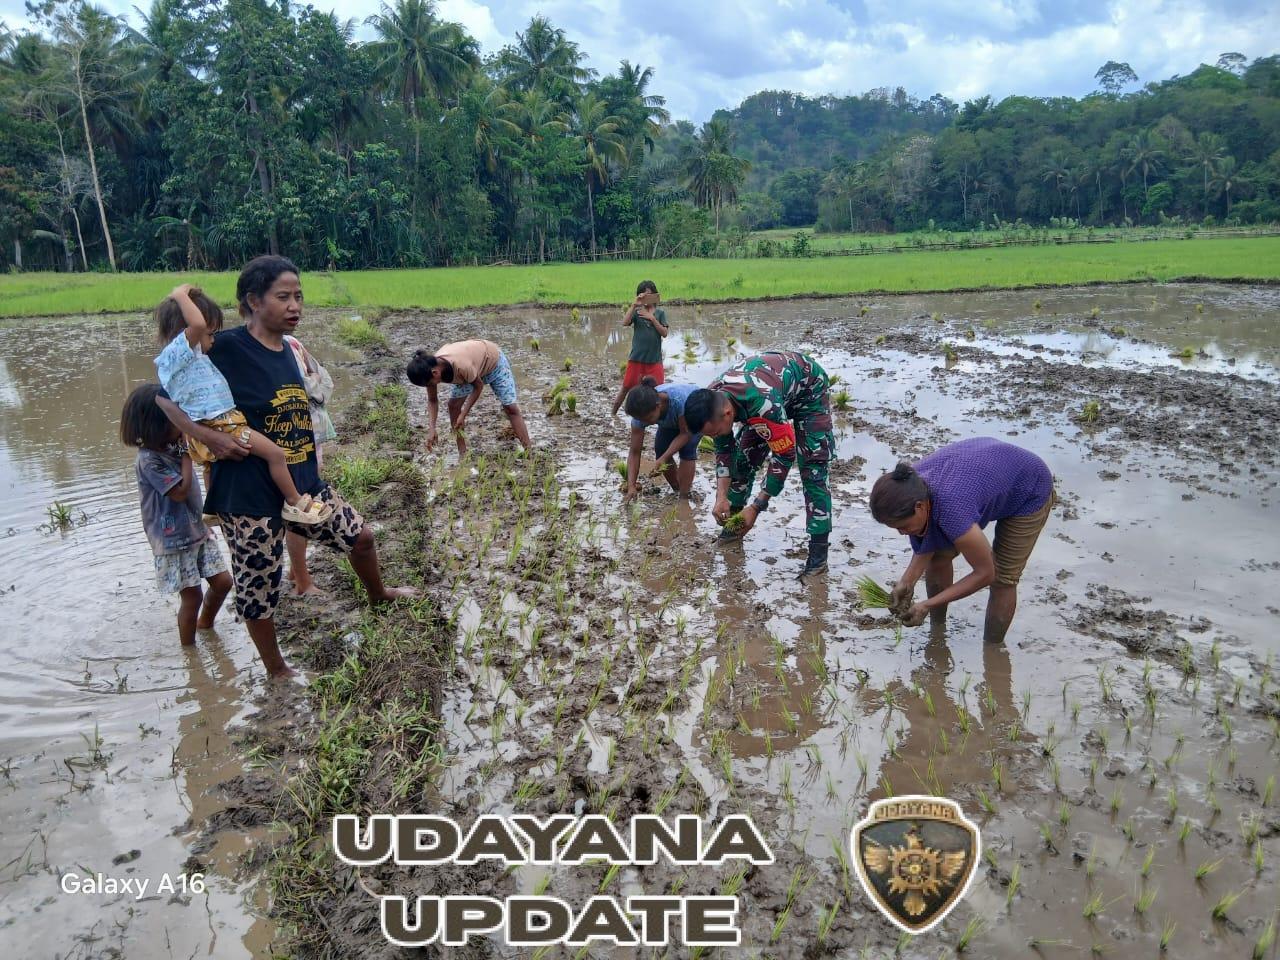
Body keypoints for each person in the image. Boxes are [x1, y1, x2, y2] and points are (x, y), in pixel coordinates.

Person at [156, 255, 416, 680]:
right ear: (253, 301)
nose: (295, 305)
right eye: (283, 296)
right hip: (248, 495)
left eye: (299, 296)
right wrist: (213, 438)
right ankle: (277, 671)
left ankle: (379, 595)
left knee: (362, 538)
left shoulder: (289, 350)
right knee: (259, 586)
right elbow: (161, 396)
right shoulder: (226, 347)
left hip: (304, 483)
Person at [153, 283, 331, 525]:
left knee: (209, 465)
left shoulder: (191, 360)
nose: (213, 340)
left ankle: (213, 508)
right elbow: (196, 325)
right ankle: (295, 501)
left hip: (204, 424)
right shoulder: (179, 355)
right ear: (187, 333)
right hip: (226, 425)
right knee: (276, 455)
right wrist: (180, 295)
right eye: (209, 334)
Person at [868, 437, 1056, 644]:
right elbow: (928, 544)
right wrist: (907, 581)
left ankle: (992, 650)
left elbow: (985, 574)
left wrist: (927, 605)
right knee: (938, 558)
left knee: (1003, 579)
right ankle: (937, 633)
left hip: (1028, 488)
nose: (902, 533)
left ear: (920, 507)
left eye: (903, 527)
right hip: (987, 475)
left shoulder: (952, 509)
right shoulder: (908, 488)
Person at [683, 351, 834, 578]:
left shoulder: (764, 407)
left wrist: (756, 507)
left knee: (813, 471)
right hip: (769, 394)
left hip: (808, 392)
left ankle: (818, 558)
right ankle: (733, 525)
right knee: (743, 462)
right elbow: (724, 449)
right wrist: (720, 497)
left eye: (714, 432)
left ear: (727, 414)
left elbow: (784, 454)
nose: (714, 436)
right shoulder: (711, 400)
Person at [120, 383, 233, 647]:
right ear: (157, 424)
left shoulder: (171, 448)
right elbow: (180, 492)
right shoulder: (149, 460)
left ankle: (204, 624)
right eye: (176, 419)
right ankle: (190, 653)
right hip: (173, 541)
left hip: (196, 532)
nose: (183, 424)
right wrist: (185, 450)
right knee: (191, 597)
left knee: (223, 582)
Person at [406, 340, 531, 456]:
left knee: (510, 408)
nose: (430, 387)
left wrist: (463, 414)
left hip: (494, 364)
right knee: (453, 406)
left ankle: (528, 451)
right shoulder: (429, 370)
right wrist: (432, 428)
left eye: (430, 384)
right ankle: (463, 453)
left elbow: (478, 386)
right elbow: (432, 400)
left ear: (435, 373)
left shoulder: (461, 365)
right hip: (470, 372)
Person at [284, 335, 336, 597]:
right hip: (296, 438)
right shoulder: (287, 345)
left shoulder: (288, 344)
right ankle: (300, 579)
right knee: (298, 506)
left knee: (299, 503)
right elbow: (314, 384)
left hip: (302, 435)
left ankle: (297, 573)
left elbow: (312, 382)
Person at [622, 376, 701, 500]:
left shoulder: (677, 400)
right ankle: (677, 489)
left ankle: (684, 496)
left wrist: (665, 458)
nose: (644, 423)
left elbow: (685, 434)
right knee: (661, 450)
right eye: (640, 420)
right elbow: (634, 452)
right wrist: (631, 485)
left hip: (695, 411)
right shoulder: (640, 416)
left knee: (687, 450)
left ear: (658, 406)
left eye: (648, 419)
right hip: (671, 420)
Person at [611, 280, 669, 416]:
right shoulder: (636, 312)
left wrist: (652, 319)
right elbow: (625, 323)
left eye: (649, 295)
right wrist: (634, 305)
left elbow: (665, 333)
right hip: (636, 359)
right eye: (643, 295)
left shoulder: (660, 314)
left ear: (655, 296)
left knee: (660, 391)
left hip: (654, 361)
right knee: (625, 388)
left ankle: (661, 418)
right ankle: (613, 415)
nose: (647, 298)